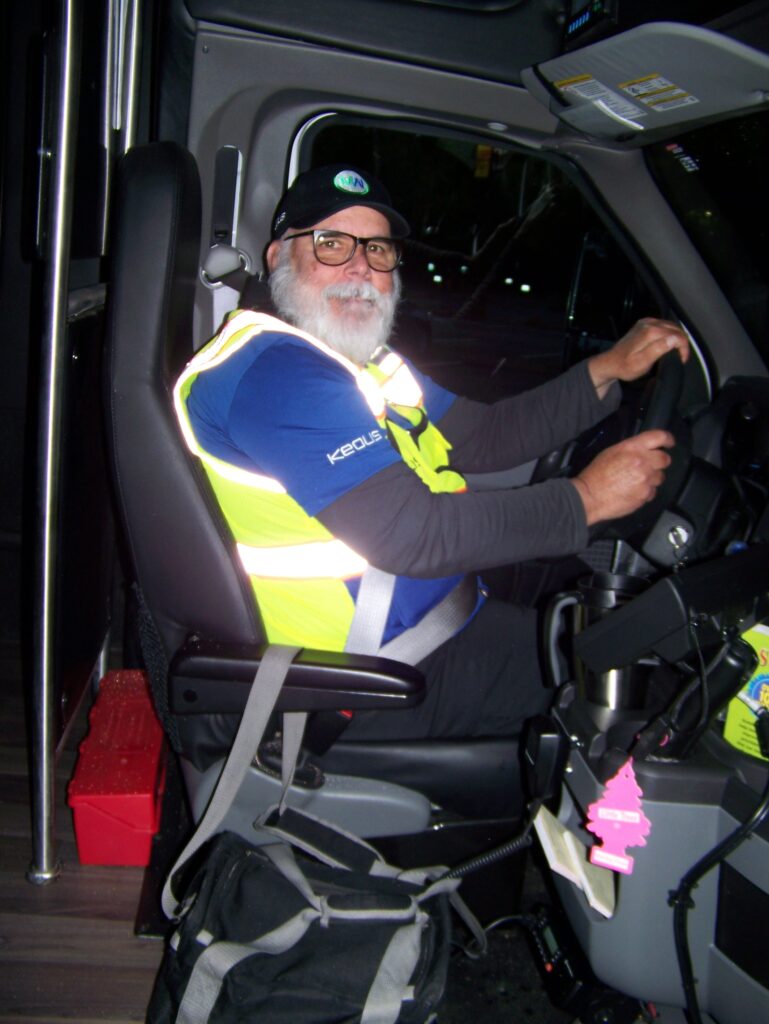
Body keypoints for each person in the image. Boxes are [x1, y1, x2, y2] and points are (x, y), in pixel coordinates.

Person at [175, 164, 689, 742]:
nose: (360, 268)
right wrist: (588, 499)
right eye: (331, 244)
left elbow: (485, 436)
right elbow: (411, 534)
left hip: (428, 628)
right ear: (277, 258)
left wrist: (606, 370)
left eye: (377, 249)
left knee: (621, 663)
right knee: (658, 707)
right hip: (355, 680)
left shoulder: (359, 362)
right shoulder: (274, 373)